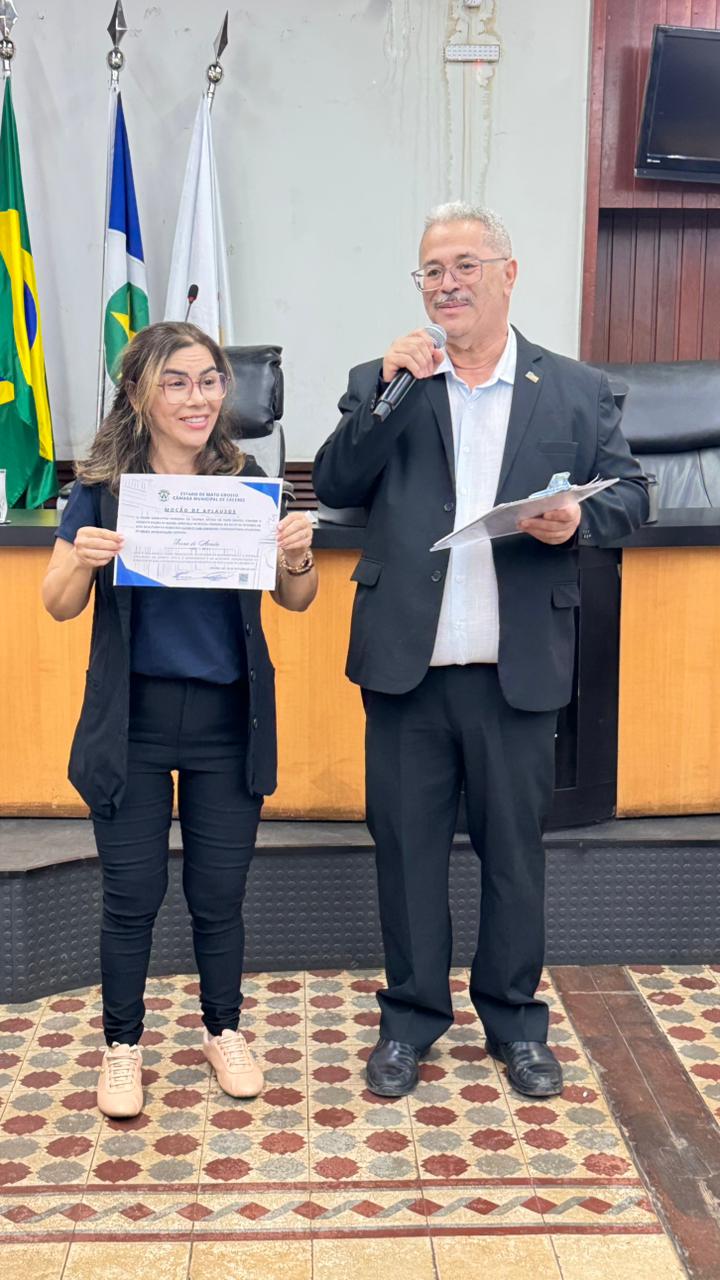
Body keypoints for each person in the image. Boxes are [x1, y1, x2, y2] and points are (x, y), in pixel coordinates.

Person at [313, 202, 647, 1100]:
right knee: (406, 855)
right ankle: (409, 1022)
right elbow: (337, 481)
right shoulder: (387, 380)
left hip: (516, 668)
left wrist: (577, 520)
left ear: (508, 273)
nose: (447, 284)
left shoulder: (573, 388)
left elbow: (632, 494)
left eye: (464, 265)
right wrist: (387, 391)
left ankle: (516, 1025)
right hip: (407, 668)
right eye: (431, 270)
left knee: (514, 858)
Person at [42, 321, 317, 1119]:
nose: (198, 398)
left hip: (228, 720)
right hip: (132, 719)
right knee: (131, 894)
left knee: (218, 893)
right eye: (177, 382)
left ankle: (223, 1029)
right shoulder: (103, 487)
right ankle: (122, 1045)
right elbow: (57, 604)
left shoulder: (246, 479)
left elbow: (296, 598)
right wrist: (81, 559)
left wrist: (297, 554)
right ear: (138, 393)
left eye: (210, 381)